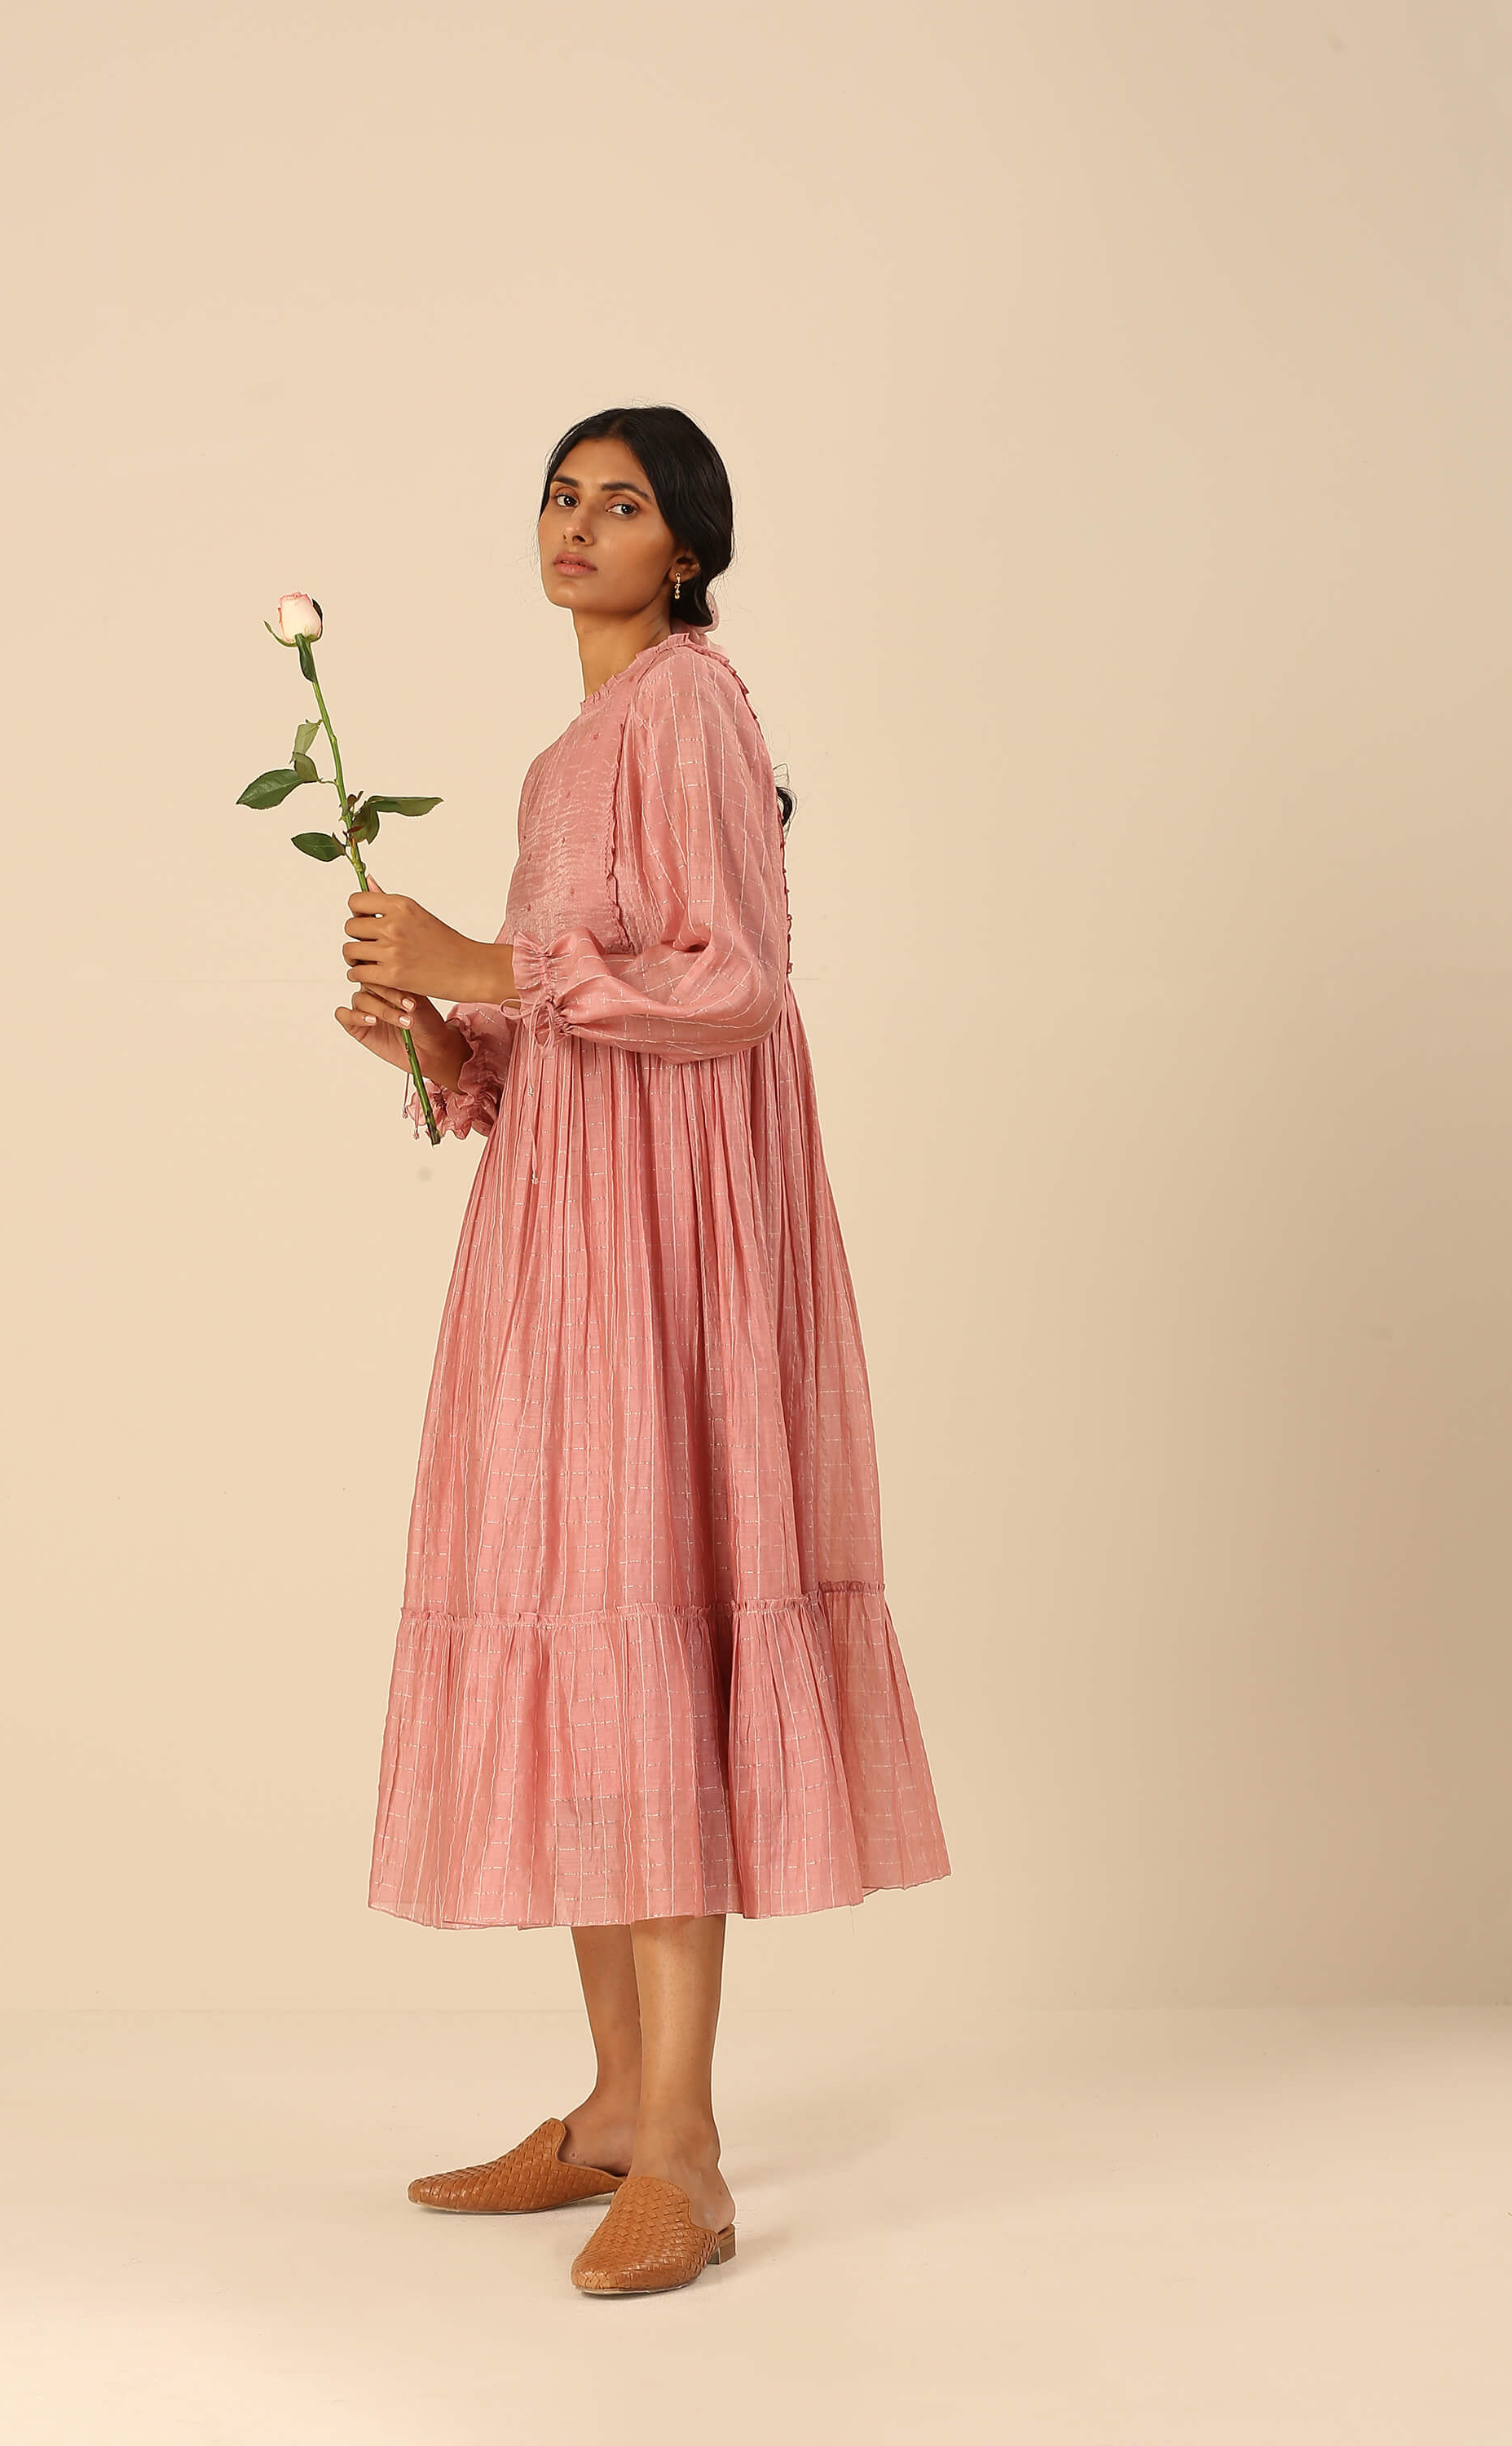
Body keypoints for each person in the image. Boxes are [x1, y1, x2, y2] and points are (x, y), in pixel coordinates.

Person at [333, 404, 950, 2297]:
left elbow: (735, 983)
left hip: (671, 1250)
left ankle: (682, 2143)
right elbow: (592, 1024)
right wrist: (447, 1051)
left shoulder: (688, 703)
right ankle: (611, 2106)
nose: (582, 523)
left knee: (649, 1627)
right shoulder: (567, 751)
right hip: (570, 1237)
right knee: (580, 1623)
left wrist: (484, 968)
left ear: (686, 549)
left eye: (626, 503)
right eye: (561, 495)